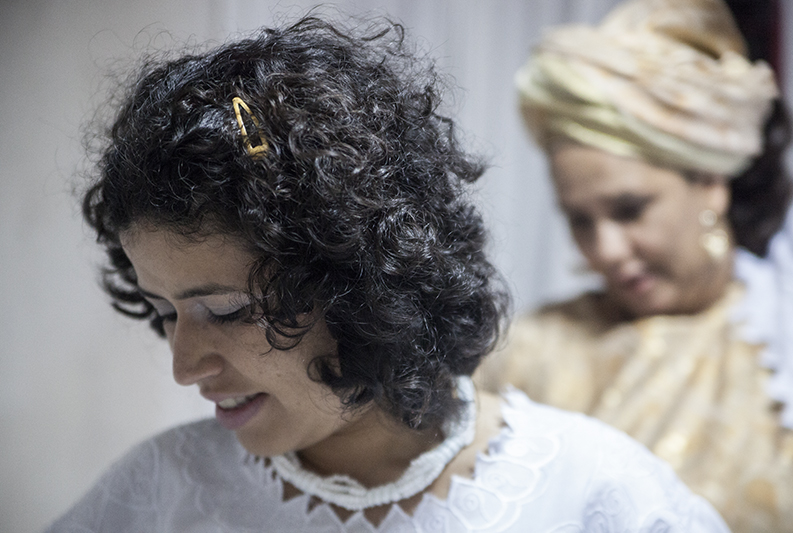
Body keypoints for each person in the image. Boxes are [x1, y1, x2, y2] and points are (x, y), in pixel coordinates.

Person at [46, 15, 731, 532]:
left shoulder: (594, 493)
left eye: (225, 310)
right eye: (165, 313)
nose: (185, 366)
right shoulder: (158, 494)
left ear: (362, 284)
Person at [477, 0, 793, 531]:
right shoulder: (526, 353)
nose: (604, 249)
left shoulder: (783, 352)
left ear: (710, 183)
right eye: (580, 220)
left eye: (629, 210)